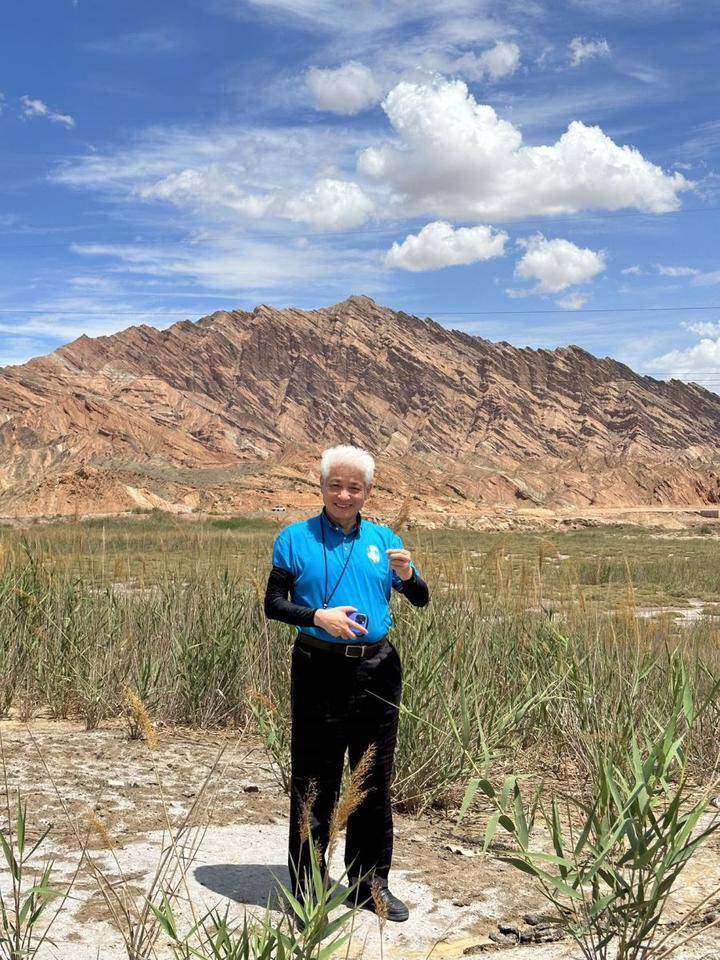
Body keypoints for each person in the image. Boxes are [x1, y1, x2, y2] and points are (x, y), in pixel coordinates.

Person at [264, 444, 430, 922]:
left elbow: (420, 598)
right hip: (318, 667)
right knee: (314, 781)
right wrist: (318, 616)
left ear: (367, 491)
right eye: (335, 485)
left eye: (354, 487)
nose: (344, 494)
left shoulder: (384, 540)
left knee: (372, 779)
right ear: (321, 486)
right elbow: (273, 604)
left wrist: (408, 574)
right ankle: (308, 889)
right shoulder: (294, 539)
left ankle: (369, 884)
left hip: (378, 669)